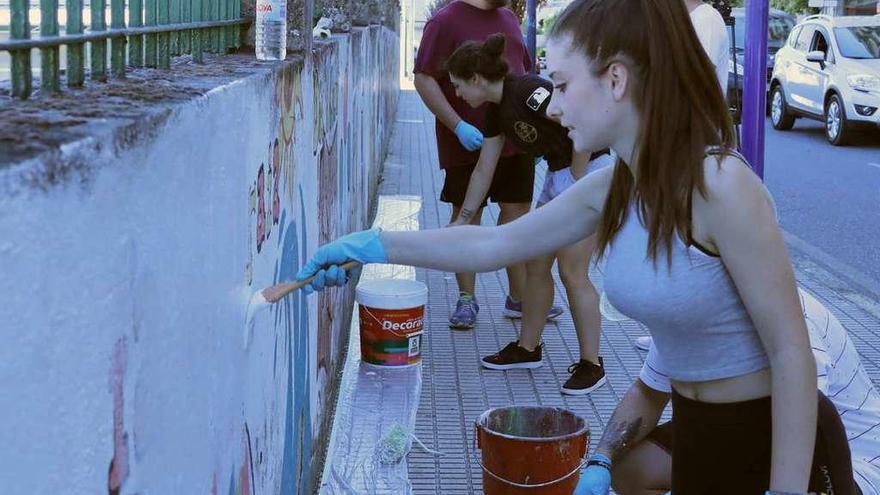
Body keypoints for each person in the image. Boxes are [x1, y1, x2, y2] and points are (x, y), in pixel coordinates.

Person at [296, 0, 857, 491]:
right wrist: (372, 245)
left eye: (562, 86)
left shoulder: (720, 186)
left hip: (777, 444)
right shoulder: (616, 184)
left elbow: (792, 354)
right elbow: (493, 247)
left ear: (616, 80)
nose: (554, 106)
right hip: (697, 435)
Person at [444, 33, 614, 394]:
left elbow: (579, 118)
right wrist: (462, 220)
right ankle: (527, 347)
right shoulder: (494, 114)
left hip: (592, 169)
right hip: (559, 175)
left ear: (476, 79)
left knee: (572, 270)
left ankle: (592, 364)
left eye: (459, 87)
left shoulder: (527, 90)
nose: (457, 96)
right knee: (536, 264)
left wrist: (579, 177)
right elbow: (482, 171)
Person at [596, 289, 880, 495]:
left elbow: (803, 431)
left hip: (847, 463)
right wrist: (601, 460)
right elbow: (647, 393)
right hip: (747, 433)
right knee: (631, 467)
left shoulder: (786, 324)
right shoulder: (685, 310)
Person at [414, 0, 541, 330]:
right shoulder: (445, 21)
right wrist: (457, 125)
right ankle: (466, 299)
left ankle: (519, 297)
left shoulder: (510, 19)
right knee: (466, 217)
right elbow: (423, 79)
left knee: (517, 216)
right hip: (467, 142)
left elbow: (523, 72)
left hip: (514, 138)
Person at [633, 0, 731, 353]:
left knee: (685, 248)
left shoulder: (704, 19)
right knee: (670, 242)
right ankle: (667, 335)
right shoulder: (687, 20)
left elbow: (687, 81)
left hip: (691, 149)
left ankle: (679, 335)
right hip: (678, 147)